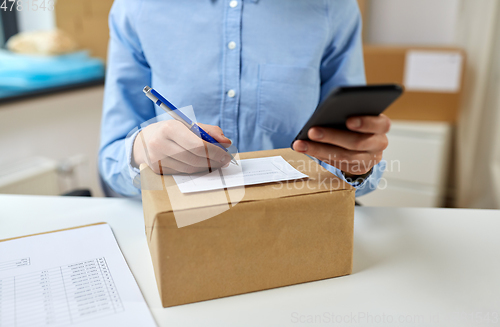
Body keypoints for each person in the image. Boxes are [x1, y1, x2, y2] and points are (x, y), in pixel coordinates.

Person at [99, 0, 390, 197]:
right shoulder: (135, 7)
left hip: (299, 221)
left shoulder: (333, 7)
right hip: (181, 226)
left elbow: (347, 155)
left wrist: (355, 168)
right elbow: (111, 159)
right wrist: (141, 152)